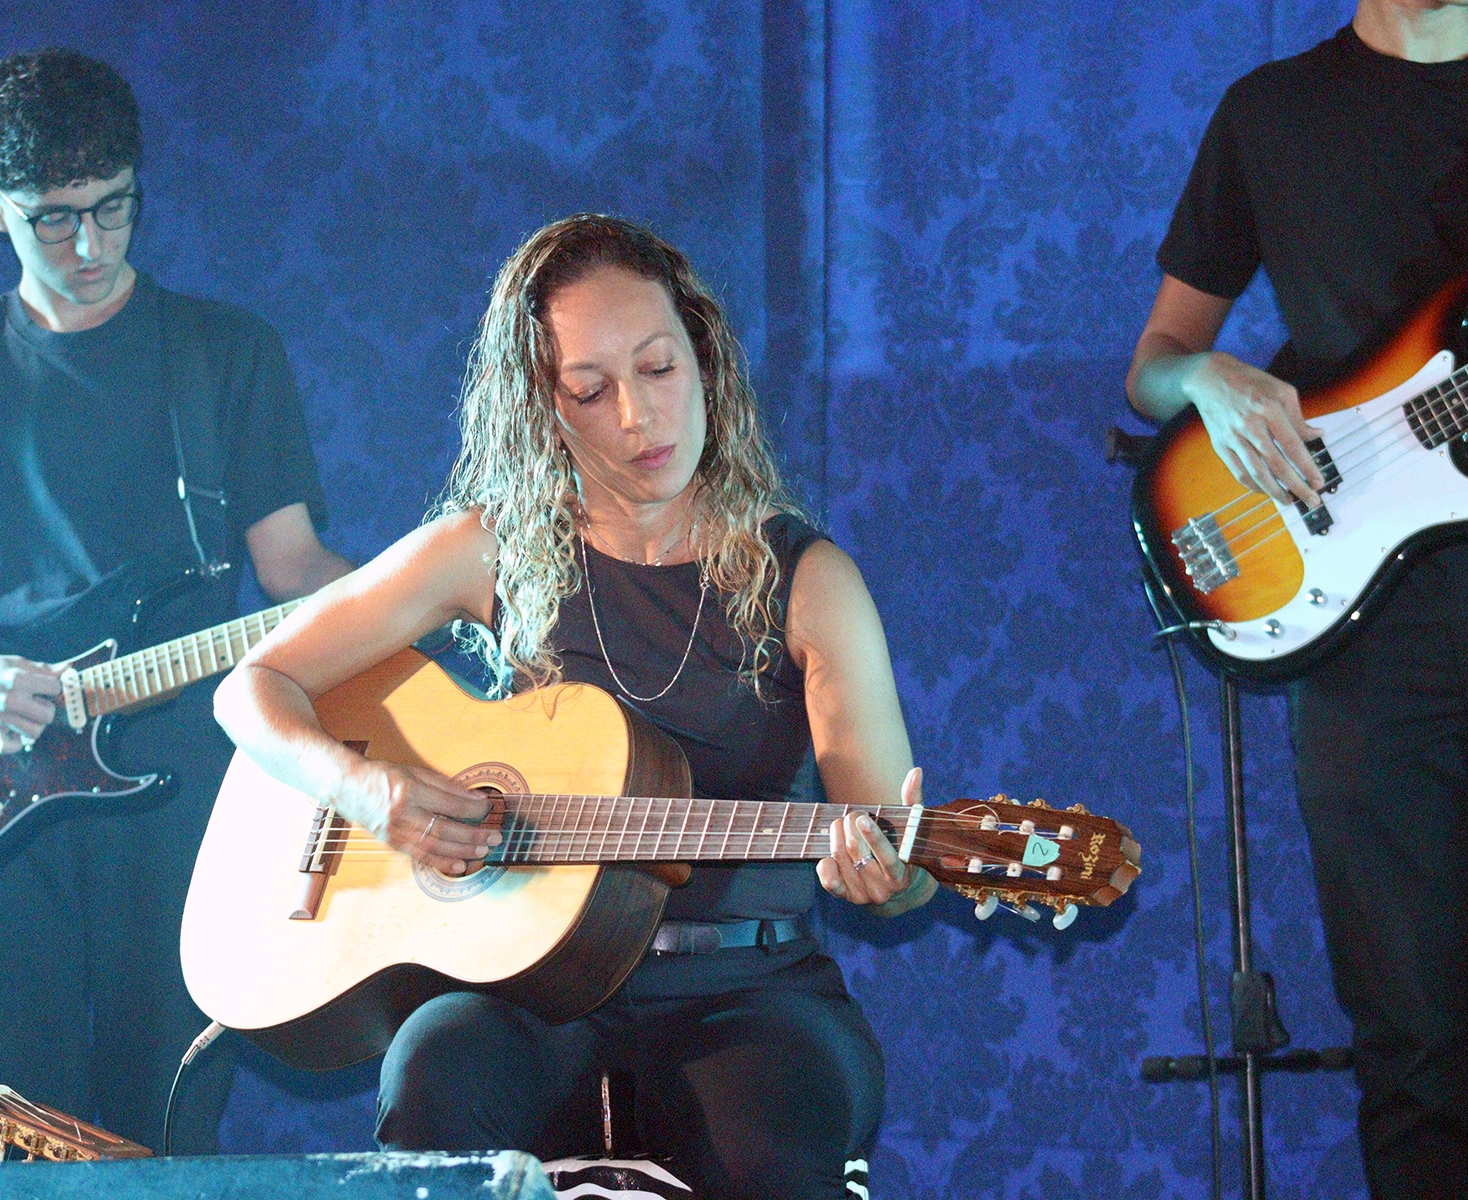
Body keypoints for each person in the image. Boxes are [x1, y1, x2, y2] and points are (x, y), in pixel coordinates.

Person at [212, 213, 936, 1200]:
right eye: (591, 391)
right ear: (544, 409)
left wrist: (890, 874)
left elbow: (895, 861)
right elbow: (253, 689)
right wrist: (371, 791)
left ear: (708, 363)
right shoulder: (489, 548)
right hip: (527, 992)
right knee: (431, 1092)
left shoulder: (808, 580)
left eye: (659, 369)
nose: (640, 419)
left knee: (773, 1151)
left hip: (747, 991)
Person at [0, 48, 351, 1158]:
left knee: (163, 1130)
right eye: (55, 220)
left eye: (114, 208)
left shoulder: (224, 354)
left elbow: (291, 570)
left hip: (187, 795)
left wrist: (435, 597)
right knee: (9, 1133)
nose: (93, 247)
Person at [1126, 3, 1468, 1196]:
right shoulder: (1272, 114)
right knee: (1410, 1044)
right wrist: (1208, 378)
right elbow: (1153, 361)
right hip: (1364, 625)